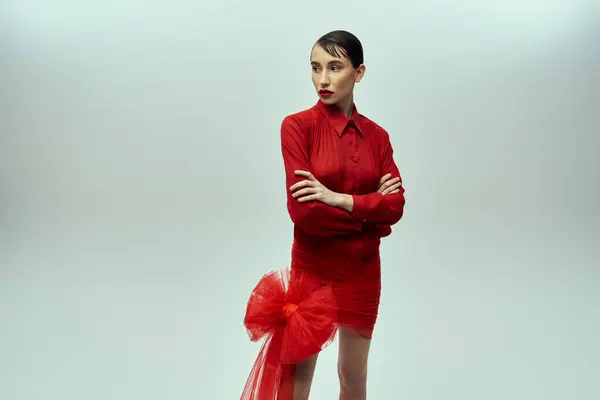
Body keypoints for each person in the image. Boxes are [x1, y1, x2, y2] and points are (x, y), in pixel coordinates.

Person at [280, 30, 406, 399]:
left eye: (335, 67)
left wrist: (337, 198)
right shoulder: (297, 127)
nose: (323, 79)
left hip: (362, 272)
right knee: (298, 377)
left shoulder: (378, 137)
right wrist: (370, 213)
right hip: (313, 269)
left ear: (359, 72)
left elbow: (396, 207)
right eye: (316, 68)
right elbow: (304, 213)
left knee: (353, 378)